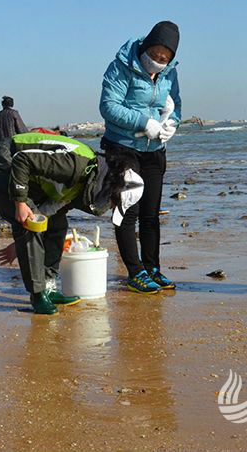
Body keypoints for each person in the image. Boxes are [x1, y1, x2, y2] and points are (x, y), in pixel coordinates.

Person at [0, 131, 143, 314]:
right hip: (2, 162)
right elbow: (22, 159)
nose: (110, 207)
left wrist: (18, 245)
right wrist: (20, 202)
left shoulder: (89, 179)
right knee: (30, 225)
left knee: (57, 225)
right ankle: (38, 295)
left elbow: (53, 207)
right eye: (114, 203)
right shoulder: (76, 166)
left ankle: (49, 286)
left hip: (24, 169)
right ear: (111, 188)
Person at [99, 21, 182, 294]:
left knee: (151, 214)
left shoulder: (170, 74)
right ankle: (134, 272)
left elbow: (176, 105)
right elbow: (108, 106)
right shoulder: (121, 67)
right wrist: (144, 122)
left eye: (164, 59)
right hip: (123, 148)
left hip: (154, 151)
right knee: (128, 210)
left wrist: (172, 124)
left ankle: (152, 268)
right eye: (154, 55)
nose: (157, 62)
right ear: (145, 47)